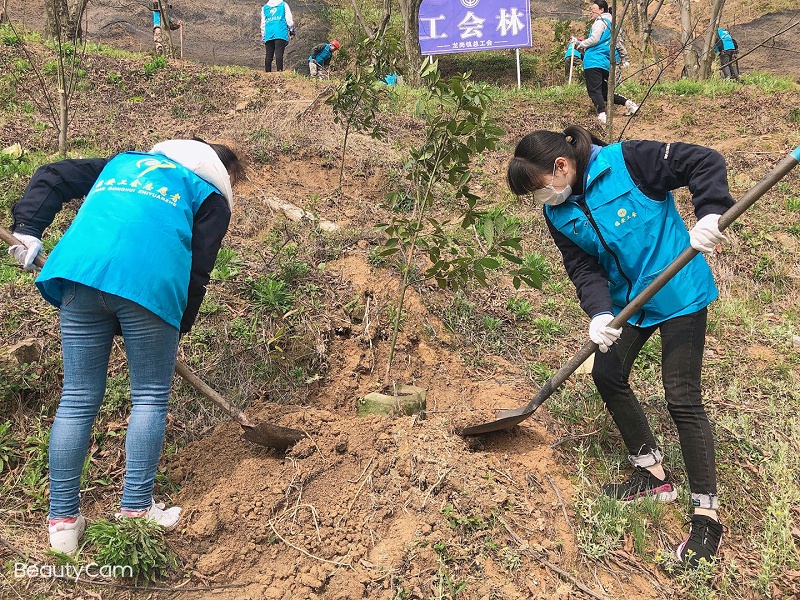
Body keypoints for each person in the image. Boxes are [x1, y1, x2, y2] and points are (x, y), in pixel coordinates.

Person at [507, 124, 733, 568]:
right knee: (608, 374)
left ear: (561, 165)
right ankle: (651, 472)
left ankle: (707, 514)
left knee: (681, 396)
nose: (541, 200)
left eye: (539, 189)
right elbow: (582, 265)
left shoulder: (629, 161)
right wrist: (598, 312)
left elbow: (703, 160)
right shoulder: (558, 213)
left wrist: (709, 212)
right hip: (631, 304)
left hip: (680, 291)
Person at [7, 138, 245, 555]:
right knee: (150, 398)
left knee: (77, 397)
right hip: (150, 287)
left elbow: (54, 174)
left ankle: (62, 524)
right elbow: (198, 268)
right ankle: (136, 509)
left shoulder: (123, 163)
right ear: (222, 173)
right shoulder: (210, 195)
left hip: (80, 273)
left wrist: (27, 229)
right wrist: (177, 324)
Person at [575, 0, 639, 124]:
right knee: (605, 92)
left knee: (594, 90)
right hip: (605, 62)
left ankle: (602, 114)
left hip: (593, 61)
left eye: (593, 9)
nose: (590, 12)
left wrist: (581, 44)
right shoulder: (612, 24)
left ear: (601, 10)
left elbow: (594, 39)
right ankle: (629, 104)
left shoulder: (599, 22)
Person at [261, 0, 295, 73]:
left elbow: (263, 25)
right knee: (279, 53)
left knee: (268, 55)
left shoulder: (265, 8)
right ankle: (279, 72)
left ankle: (267, 73)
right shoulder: (283, 5)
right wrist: (291, 31)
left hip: (269, 33)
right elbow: (289, 21)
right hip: (280, 32)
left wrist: (263, 36)